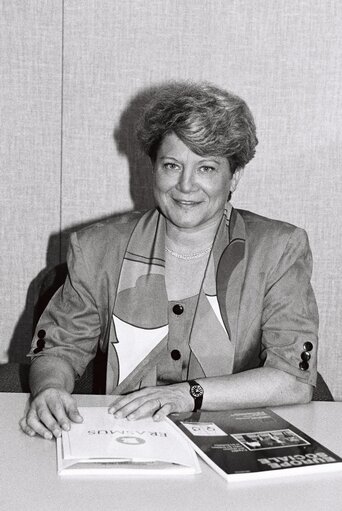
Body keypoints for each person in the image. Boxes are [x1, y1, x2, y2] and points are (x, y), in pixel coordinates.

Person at [20, 81, 318, 440]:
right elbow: (58, 348)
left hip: (235, 437)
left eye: (206, 168)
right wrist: (49, 389)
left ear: (234, 176)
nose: (186, 186)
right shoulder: (98, 248)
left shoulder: (278, 250)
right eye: (172, 165)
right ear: (154, 168)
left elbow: (293, 381)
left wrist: (186, 394)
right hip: (124, 437)